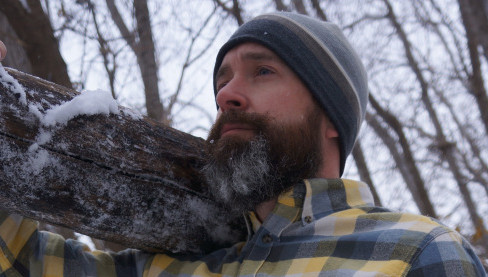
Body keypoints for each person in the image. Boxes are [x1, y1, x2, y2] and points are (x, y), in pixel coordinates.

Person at [0, 12, 486, 276]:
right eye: (223, 81)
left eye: (263, 72)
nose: (226, 95)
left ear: (331, 116)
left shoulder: (416, 253)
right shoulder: (172, 264)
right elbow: (26, 262)